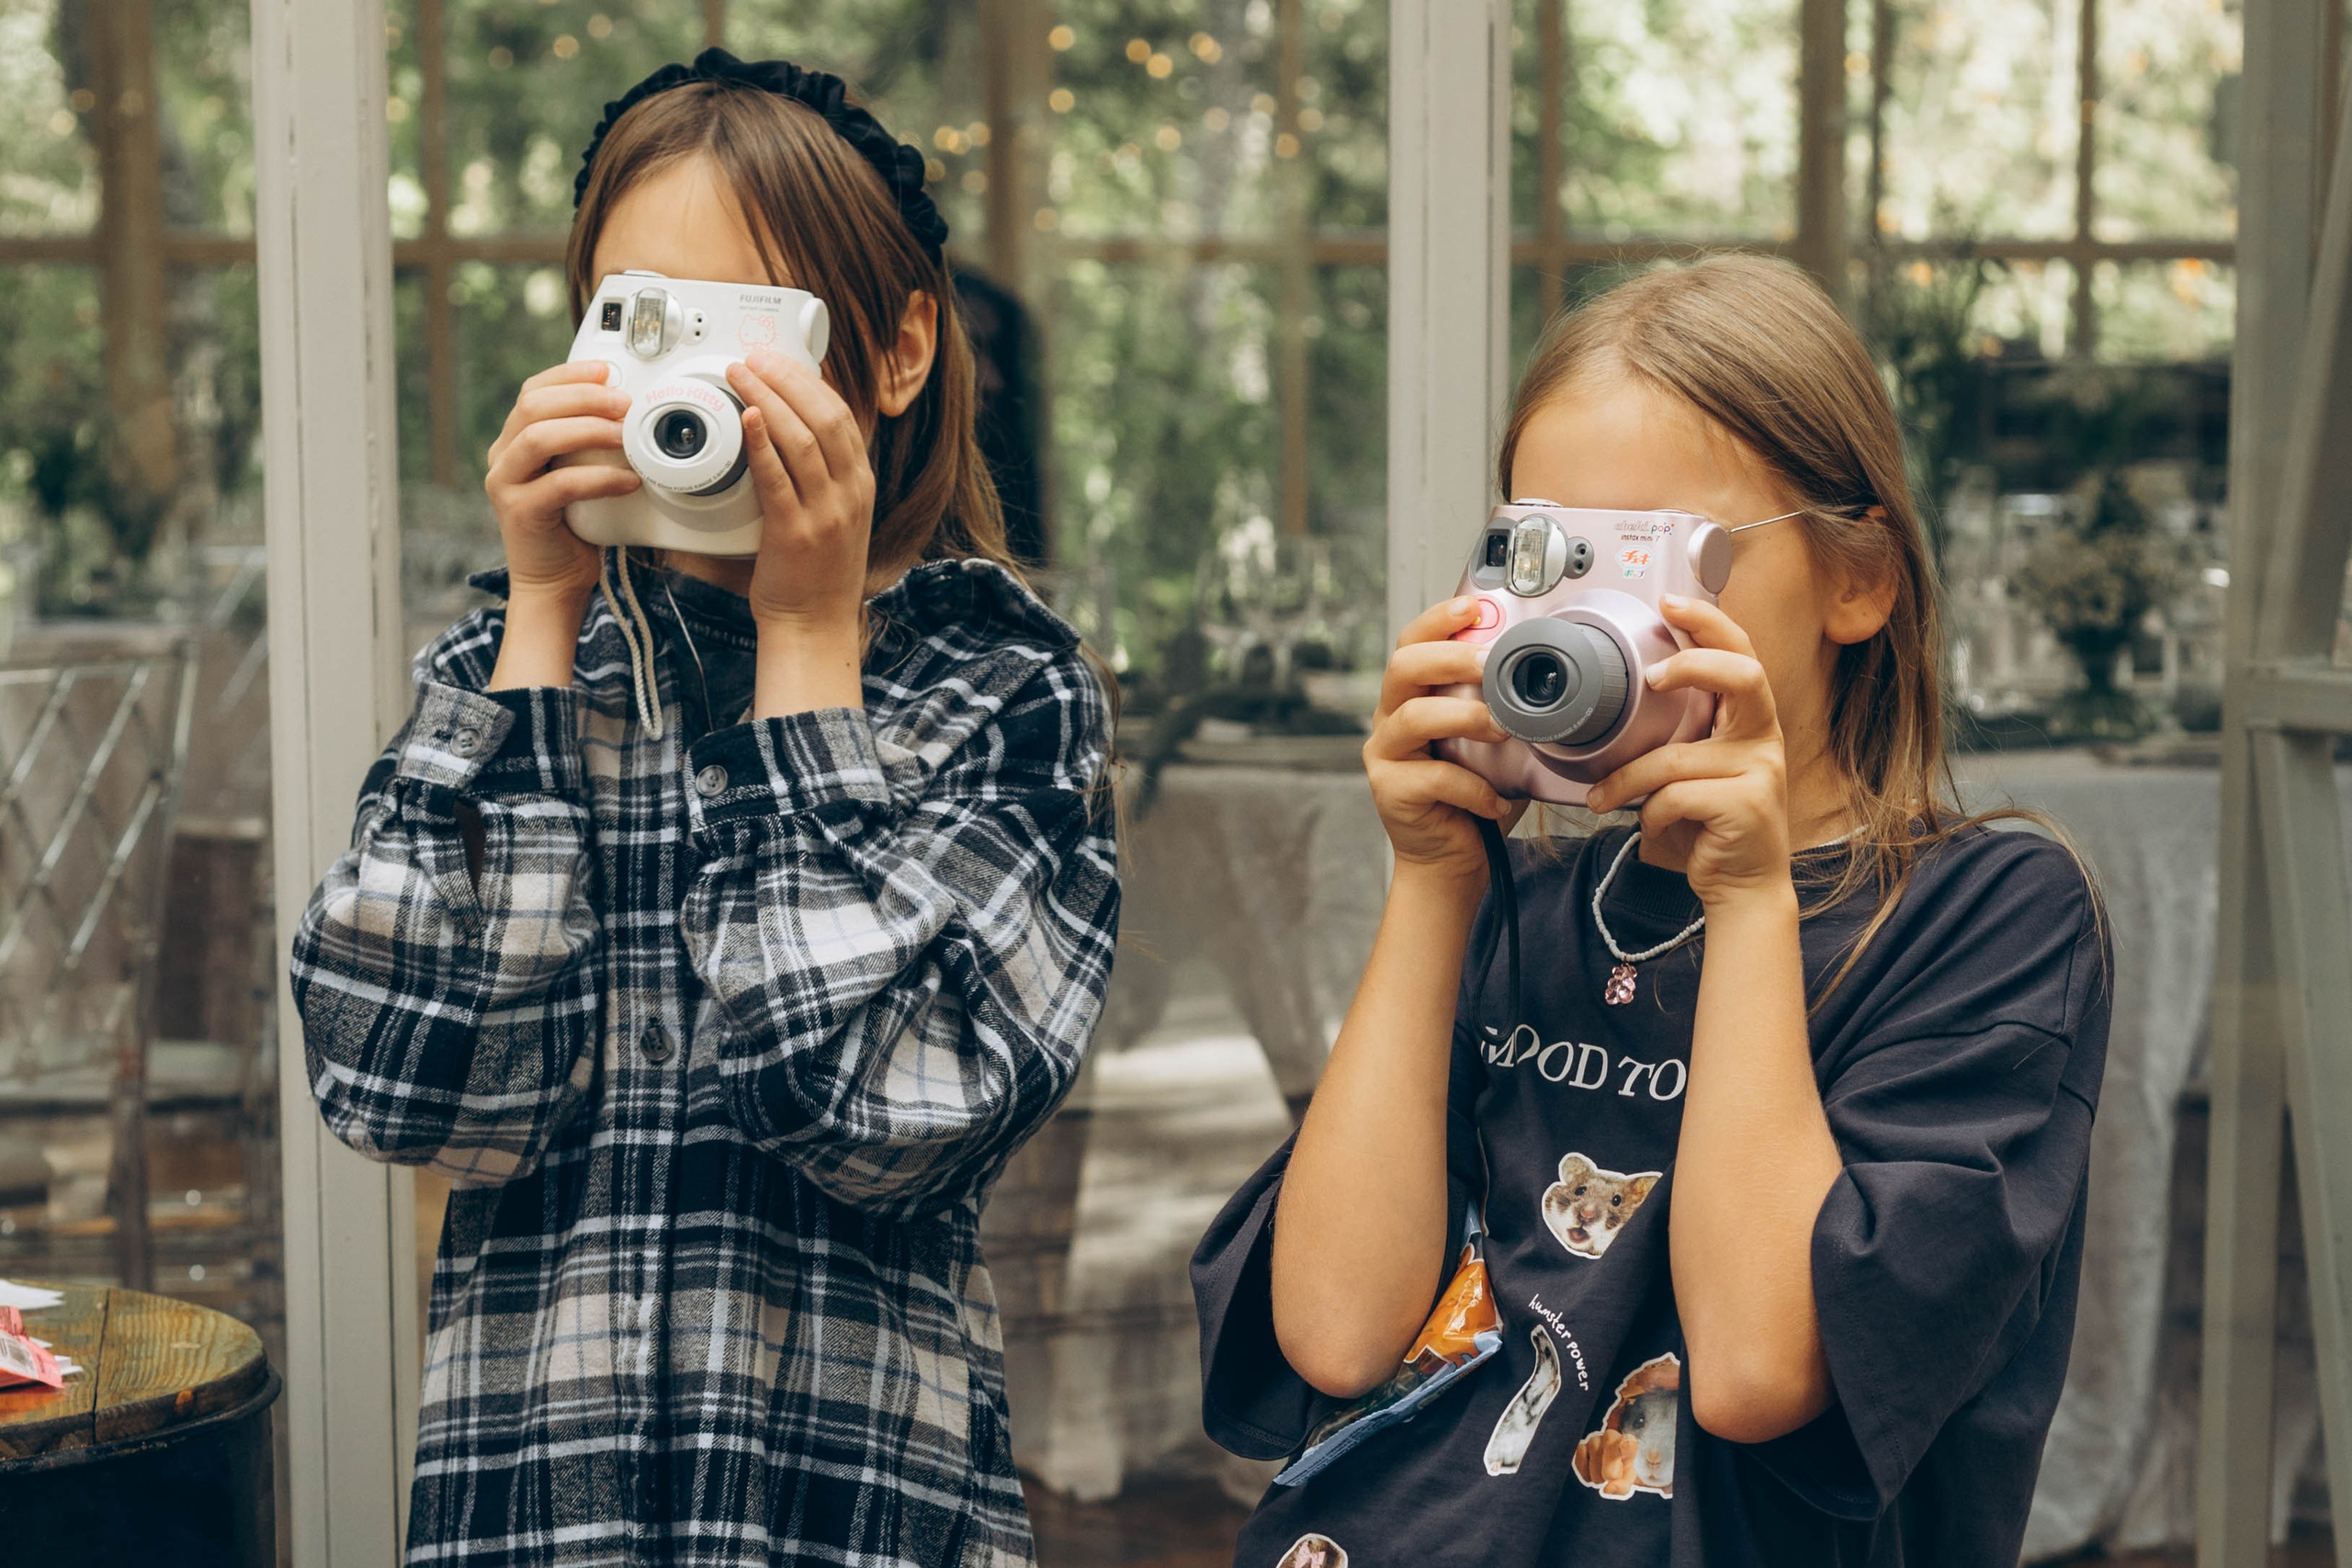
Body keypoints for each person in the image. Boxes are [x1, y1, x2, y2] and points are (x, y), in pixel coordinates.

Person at [290, 51, 1119, 1567]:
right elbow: (412, 1094)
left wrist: (807, 653)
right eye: (640, 322)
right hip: (534, 1518)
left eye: (746, 332)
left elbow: (878, 1121)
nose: (688, 389)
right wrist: (541, 614)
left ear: (897, 349)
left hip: (855, 1516)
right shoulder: (507, 665)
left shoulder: (1001, 686)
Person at [1193, 254, 2110, 1567]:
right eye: (1556, 557)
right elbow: (1338, 1332)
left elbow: (1752, 1369)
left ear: (1860, 580)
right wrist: (1434, 879)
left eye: (1657, 558)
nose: (1603, 620)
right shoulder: (1533, 896)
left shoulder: (1988, 915)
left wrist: (1747, 899)